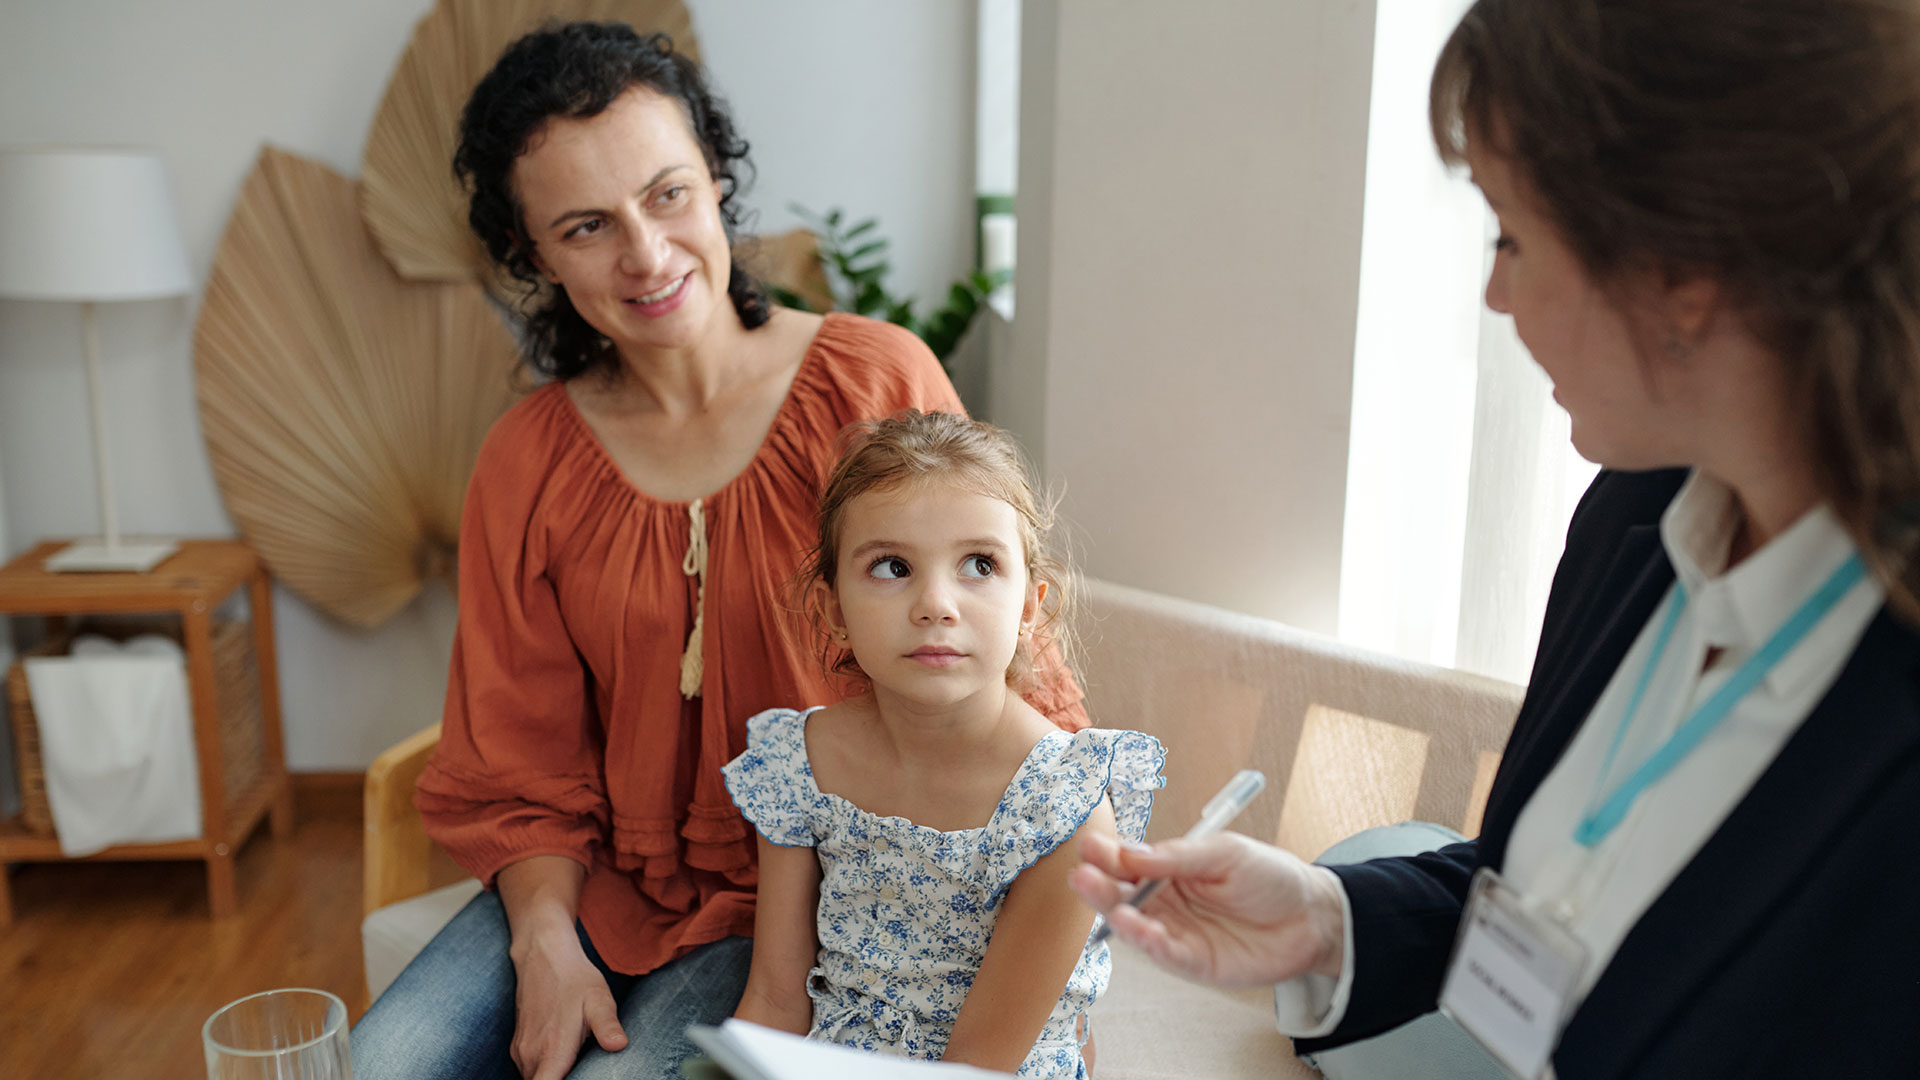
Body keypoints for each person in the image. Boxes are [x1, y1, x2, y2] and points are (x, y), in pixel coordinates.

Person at [1069, 0, 1920, 1076]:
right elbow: (1550, 892)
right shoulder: (1638, 521)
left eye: (1512, 235)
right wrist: (1332, 922)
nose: (1494, 292)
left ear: (1683, 271)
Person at [349, 24, 1088, 1080]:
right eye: (585, 225)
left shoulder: (873, 383)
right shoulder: (528, 462)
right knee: (374, 1068)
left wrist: (1062, 937)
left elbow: (1010, 646)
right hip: (596, 884)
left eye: (667, 194)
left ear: (716, 181)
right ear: (532, 256)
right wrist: (545, 942)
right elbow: (521, 752)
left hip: (814, 891)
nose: (646, 255)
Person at [721, 411, 1164, 1077]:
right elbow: (776, 1001)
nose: (936, 604)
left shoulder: (1063, 806)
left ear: (1027, 609)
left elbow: (979, 1064)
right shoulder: (799, 761)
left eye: (979, 564)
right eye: (892, 566)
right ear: (832, 611)